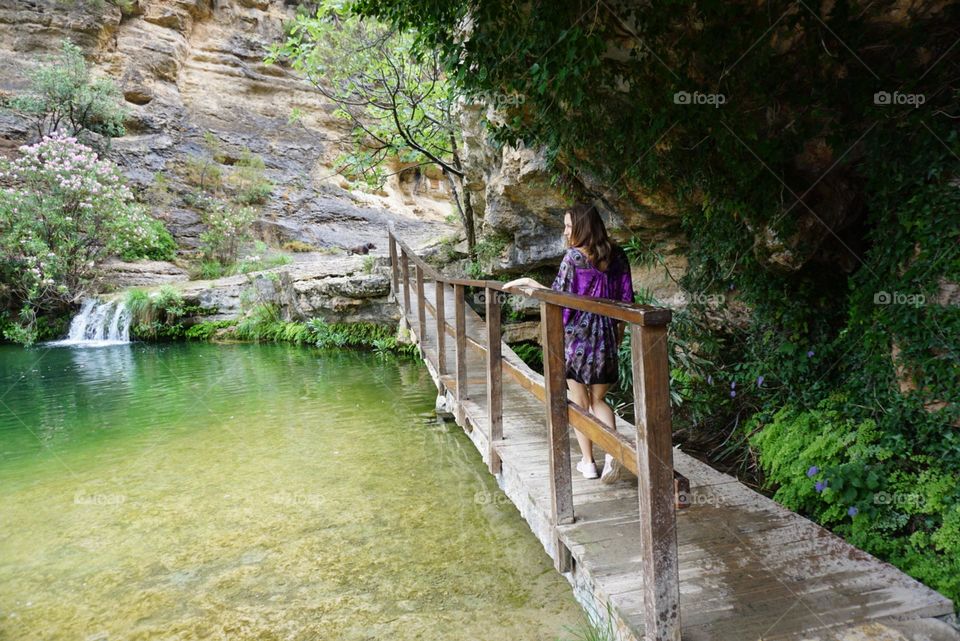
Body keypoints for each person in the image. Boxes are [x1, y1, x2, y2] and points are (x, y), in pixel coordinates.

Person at [504, 203, 634, 482]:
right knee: (598, 398)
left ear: (583, 227)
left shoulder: (573, 258)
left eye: (568, 226)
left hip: (578, 339)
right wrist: (617, 333)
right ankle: (613, 452)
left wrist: (529, 282)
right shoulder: (619, 255)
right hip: (608, 336)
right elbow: (627, 300)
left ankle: (588, 463)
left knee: (579, 400)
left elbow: (559, 300)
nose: (565, 233)